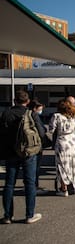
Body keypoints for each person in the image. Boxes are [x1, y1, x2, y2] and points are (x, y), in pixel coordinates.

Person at [0, 90, 42, 224]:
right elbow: (41, 131)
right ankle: (29, 215)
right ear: (28, 101)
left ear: (14, 100)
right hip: (28, 153)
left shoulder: (6, 113)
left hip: (10, 153)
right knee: (29, 183)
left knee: (9, 184)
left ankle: (8, 215)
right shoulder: (31, 114)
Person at [49, 99, 75, 196]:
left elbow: (51, 130)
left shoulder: (57, 116)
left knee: (62, 165)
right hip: (73, 141)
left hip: (62, 141)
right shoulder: (74, 116)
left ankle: (64, 189)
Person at [27, 99, 48, 194]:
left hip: (25, 145)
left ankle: (29, 184)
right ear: (35, 108)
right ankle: (34, 186)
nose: (41, 111)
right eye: (40, 109)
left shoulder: (25, 114)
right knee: (35, 167)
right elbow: (41, 131)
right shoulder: (34, 116)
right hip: (35, 144)